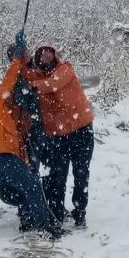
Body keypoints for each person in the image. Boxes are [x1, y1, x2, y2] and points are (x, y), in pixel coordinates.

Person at [0, 29, 61, 238]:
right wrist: (18, 56)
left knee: (20, 192)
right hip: (4, 157)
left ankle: (29, 221)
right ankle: (45, 228)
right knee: (32, 185)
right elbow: (9, 80)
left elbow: (10, 134)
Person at [25, 44, 95, 229]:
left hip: (81, 129)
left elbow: (53, 84)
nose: (46, 59)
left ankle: (80, 212)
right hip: (58, 134)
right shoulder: (37, 76)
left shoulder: (65, 69)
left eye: (49, 56)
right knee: (58, 176)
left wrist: (31, 86)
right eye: (42, 57)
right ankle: (56, 213)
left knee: (81, 174)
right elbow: (20, 75)